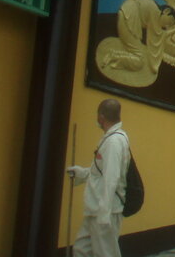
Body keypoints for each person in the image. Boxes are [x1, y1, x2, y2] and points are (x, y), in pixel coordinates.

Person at [67, 99, 130, 257]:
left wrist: (104, 212)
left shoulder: (114, 142)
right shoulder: (109, 139)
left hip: (104, 211)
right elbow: (99, 173)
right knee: (81, 250)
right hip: (94, 209)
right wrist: (81, 173)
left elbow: (111, 177)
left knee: (105, 254)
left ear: (101, 117)